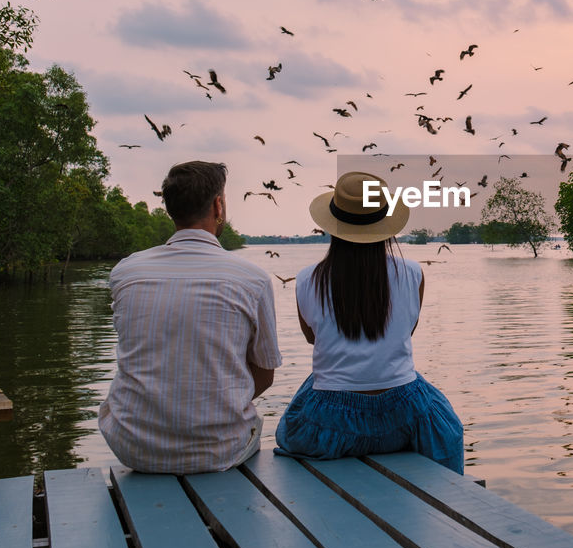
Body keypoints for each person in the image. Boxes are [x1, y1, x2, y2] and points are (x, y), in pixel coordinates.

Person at [99, 161, 282, 474]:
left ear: (170, 209)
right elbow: (265, 376)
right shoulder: (252, 279)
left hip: (133, 448)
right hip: (220, 450)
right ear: (217, 206)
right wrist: (211, 403)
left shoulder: (126, 272)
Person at [275, 171, 464, 473]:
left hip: (333, 425)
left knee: (296, 416)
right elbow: (406, 332)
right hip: (404, 417)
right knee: (448, 429)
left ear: (333, 226)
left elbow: (313, 339)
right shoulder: (413, 273)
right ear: (385, 227)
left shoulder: (307, 279)